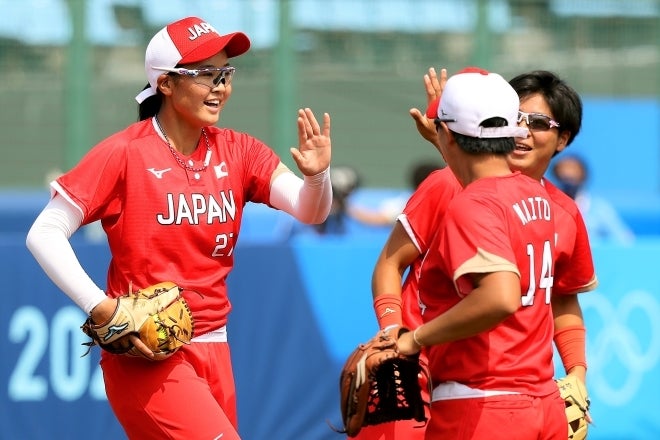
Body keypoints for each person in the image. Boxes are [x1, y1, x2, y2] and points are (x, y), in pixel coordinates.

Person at [25, 16, 332, 440]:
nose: (220, 85)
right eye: (205, 74)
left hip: (215, 348)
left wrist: (318, 177)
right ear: (166, 84)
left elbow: (309, 210)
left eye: (225, 73)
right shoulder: (125, 152)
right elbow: (44, 232)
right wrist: (100, 306)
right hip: (148, 356)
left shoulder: (239, 150)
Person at [364, 68, 597, 440]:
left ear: (562, 139)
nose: (523, 128)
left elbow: (511, 296)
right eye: (516, 116)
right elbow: (391, 263)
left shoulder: (545, 207)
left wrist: (576, 374)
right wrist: (396, 334)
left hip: (478, 398)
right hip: (439, 383)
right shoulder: (522, 198)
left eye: (537, 122)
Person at [552, 153, 635, 244]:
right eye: (563, 172)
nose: (568, 175)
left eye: (574, 170)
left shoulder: (600, 208)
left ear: (583, 175)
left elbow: (624, 239)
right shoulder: (548, 205)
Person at [347, 161, 444, 227]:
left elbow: (377, 219)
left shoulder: (408, 205)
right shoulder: (405, 205)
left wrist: (347, 208)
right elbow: (379, 219)